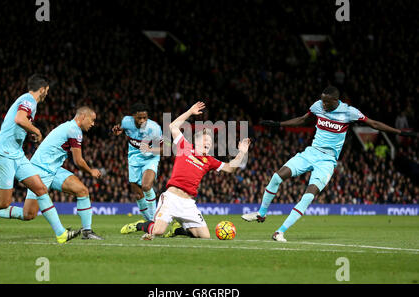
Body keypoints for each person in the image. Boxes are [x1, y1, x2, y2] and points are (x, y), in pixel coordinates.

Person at [242, 86, 418, 242]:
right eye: (322, 101)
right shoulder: (318, 106)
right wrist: (278, 124)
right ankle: (261, 213)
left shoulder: (349, 112)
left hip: (327, 161)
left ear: (336, 100)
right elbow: (303, 120)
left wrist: (400, 132)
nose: (323, 104)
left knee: (308, 196)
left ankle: (280, 232)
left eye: (326, 102)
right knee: (276, 176)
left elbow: (374, 123)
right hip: (311, 152)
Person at [0, 74, 80, 243]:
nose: (46, 95)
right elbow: (19, 119)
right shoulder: (29, 100)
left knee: (41, 189)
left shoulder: (27, 102)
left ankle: (61, 234)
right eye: (47, 91)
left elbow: (13, 127)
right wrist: (36, 131)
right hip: (5, 154)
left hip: (16, 155)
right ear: (42, 89)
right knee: (3, 203)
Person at [121, 102, 251, 240]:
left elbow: (230, 168)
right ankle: (142, 225)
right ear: (198, 141)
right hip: (171, 199)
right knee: (158, 232)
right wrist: (190, 111)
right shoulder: (185, 147)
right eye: (207, 140)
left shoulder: (209, 160)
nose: (209, 144)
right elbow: (173, 126)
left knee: (205, 237)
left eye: (211, 142)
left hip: (188, 203)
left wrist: (241, 153)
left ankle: (178, 230)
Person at [0, 107, 104, 240]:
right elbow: (78, 161)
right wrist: (91, 171)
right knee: (28, 214)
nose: (93, 123)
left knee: (82, 191)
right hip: (39, 171)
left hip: (54, 170)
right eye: (92, 120)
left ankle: (87, 232)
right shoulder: (74, 130)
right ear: (83, 116)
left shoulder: (68, 127)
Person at [112, 103, 163, 221]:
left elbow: (165, 148)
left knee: (146, 186)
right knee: (138, 195)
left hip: (150, 158)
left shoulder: (154, 128)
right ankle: (149, 221)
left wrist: (151, 149)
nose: (142, 120)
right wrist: (118, 131)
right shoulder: (126, 121)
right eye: (139, 118)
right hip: (133, 158)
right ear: (133, 116)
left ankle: (154, 221)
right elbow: (120, 128)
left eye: (145, 117)